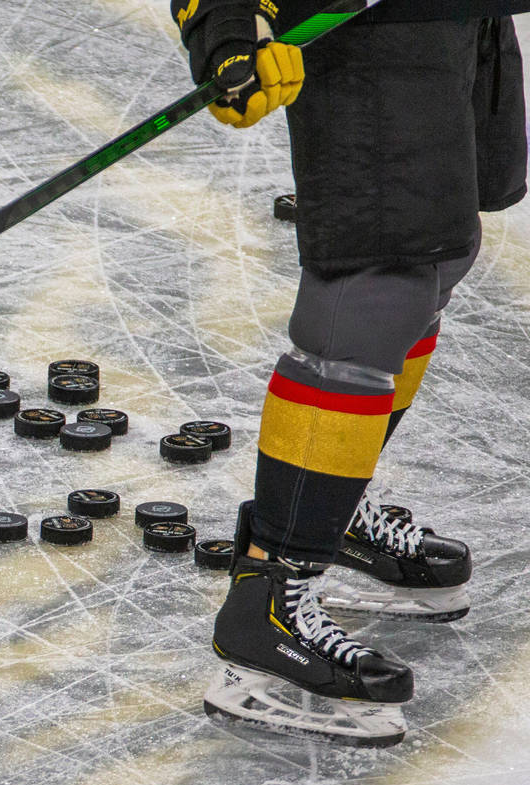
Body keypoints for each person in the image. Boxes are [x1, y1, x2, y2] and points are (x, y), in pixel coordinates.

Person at [169, 0, 530, 745]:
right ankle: (270, 599)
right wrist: (226, 17)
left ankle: (333, 510)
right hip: (366, 28)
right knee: (380, 272)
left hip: (455, 19)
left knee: (438, 252)